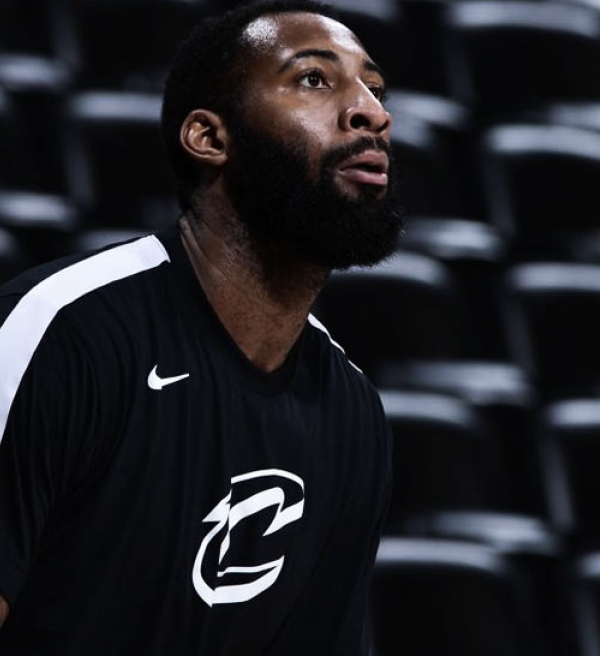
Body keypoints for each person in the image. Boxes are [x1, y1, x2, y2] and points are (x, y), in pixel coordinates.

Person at [0, 1, 404, 653]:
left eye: (376, 90)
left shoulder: (352, 414)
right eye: (313, 79)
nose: (372, 113)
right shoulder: (60, 333)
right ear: (209, 138)